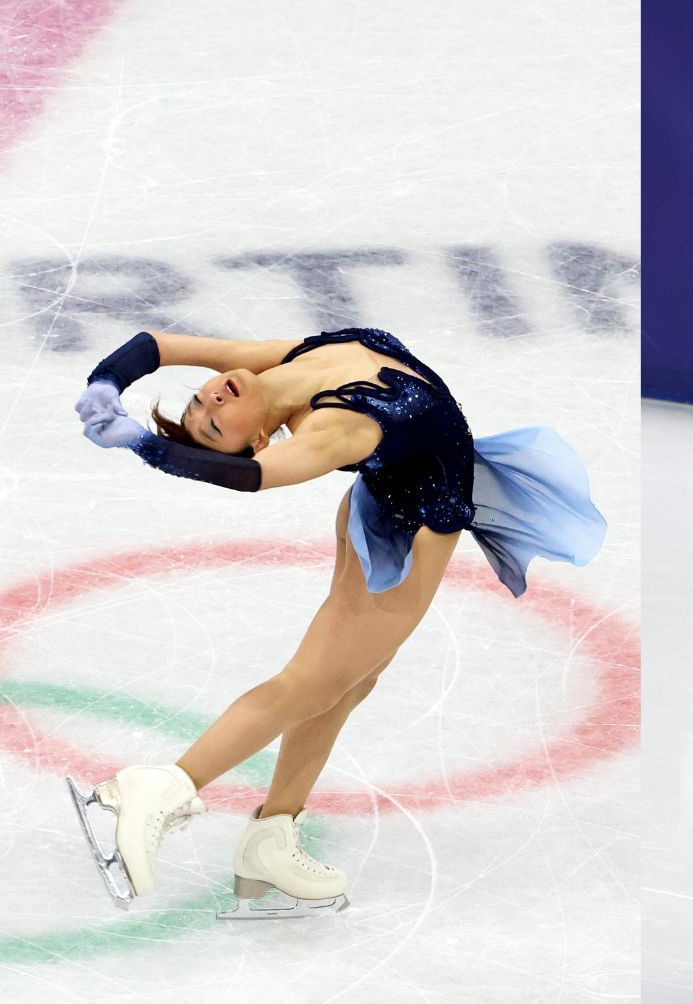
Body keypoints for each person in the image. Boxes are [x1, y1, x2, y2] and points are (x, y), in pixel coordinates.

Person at [66, 327, 606, 916]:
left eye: (200, 401)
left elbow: (160, 345)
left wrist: (107, 379)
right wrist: (143, 445)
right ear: (261, 439)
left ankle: (272, 837)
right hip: (413, 536)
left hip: (388, 502)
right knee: (310, 684)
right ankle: (162, 787)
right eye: (215, 427)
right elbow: (253, 476)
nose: (211, 401)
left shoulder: (283, 363)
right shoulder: (332, 432)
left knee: (348, 684)